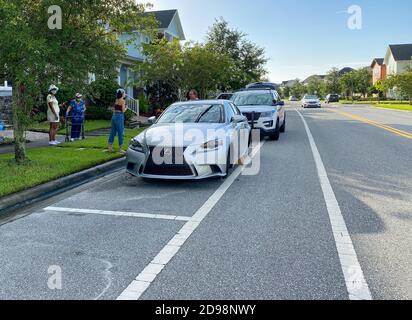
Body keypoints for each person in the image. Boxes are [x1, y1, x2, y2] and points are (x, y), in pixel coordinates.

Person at [108, 89, 128, 154]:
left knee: (112, 132)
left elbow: (114, 108)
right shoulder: (123, 101)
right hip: (119, 116)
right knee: (120, 132)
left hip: (114, 116)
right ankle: (120, 149)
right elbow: (123, 110)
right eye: (124, 93)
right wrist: (126, 108)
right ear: (122, 94)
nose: (125, 94)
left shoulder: (116, 100)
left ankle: (110, 148)